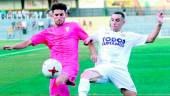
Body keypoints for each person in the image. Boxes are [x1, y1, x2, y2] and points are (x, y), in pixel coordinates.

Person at [3, 3, 93, 96]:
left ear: (65, 14)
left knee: (60, 81)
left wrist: (93, 53)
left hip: (70, 65)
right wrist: (13, 46)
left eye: (61, 14)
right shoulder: (47, 33)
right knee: (56, 93)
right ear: (52, 15)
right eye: (56, 15)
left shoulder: (74, 27)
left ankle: (65, 80)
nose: (59, 17)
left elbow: (89, 40)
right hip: (54, 67)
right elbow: (27, 42)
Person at [78, 11, 164, 96]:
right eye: (112, 20)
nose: (114, 22)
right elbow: (88, 40)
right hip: (103, 68)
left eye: (117, 20)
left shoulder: (129, 36)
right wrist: (93, 53)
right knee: (85, 75)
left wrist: (159, 24)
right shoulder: (102, 32)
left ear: (123, 22)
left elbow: (150, 39)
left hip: (119, 69)